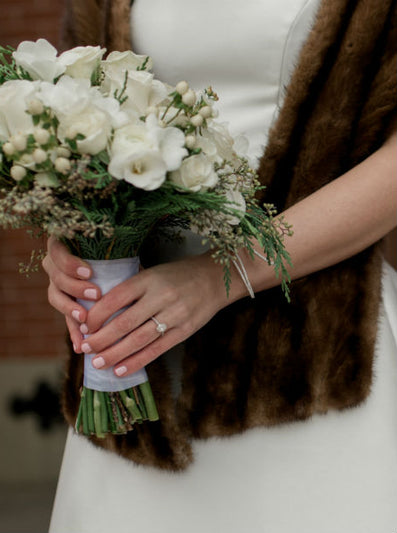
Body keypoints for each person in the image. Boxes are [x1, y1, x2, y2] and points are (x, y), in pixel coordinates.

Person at [46, 0, 397, 531]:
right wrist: (71, 237)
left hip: (307, 345)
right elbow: (79, 121)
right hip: (138, 355)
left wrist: (219, 275)